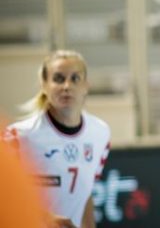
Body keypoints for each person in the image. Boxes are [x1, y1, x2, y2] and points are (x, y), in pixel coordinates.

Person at [4, 50, 111, 228]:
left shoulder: (101, 133)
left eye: (75, 78)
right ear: (44, 85)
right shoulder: (17, 136)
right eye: (58, 79)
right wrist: (44, 217)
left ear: (86, 86)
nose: (67, 86)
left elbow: (85, 194)